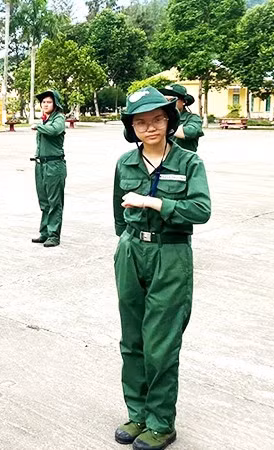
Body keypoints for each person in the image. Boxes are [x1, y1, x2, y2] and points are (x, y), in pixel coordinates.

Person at [112, 87, 211, 450]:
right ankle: (137, 414)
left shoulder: (188, 163)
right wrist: (124, 245)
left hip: (170, 255)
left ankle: (161, 422)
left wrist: (154, 202)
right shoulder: (125, 163)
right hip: (131, 251)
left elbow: (201, 210)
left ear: (169, 121)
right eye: (141, 122)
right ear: (131, 127)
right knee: (132, 340)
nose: (150, 127)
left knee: (161, 344)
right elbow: (118, 213)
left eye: (157, 119)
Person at [31, 90, 67, 247]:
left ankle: (53, 235)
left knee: (54, 202)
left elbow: (55, 130)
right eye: (43, 102)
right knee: (44, 201)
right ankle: (44, 232)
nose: (45, 104)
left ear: (55, 104)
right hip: (40, 165)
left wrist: (38, 126)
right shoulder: (45, 120)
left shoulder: (59, 118)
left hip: (54, 165)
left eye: (48, 102)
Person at [158, 84, 204, 152]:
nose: (168, 103)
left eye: (172, 100)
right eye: (165, 99)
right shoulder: (159, 118)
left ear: (184, 102)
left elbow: (190, 132)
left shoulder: (192, 118)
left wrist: (165, 129)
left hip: (183, 161)